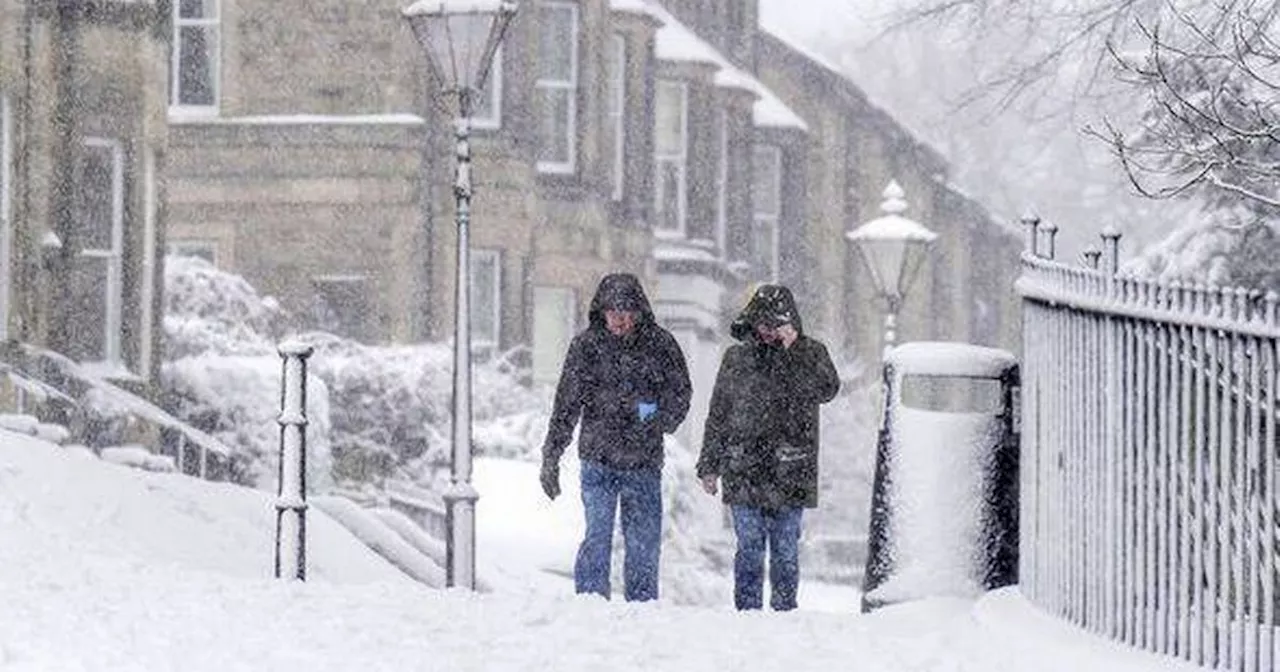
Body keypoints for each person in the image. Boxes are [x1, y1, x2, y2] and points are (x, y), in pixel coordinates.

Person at [539, 272, 692, 602]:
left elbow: (680, 395)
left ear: (638, 313)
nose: (619, 320)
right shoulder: (586, 347)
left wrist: (651, 415)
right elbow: (566, 403)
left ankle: (641, 606)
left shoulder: (660, 345)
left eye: (625, 313)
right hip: (598, 458)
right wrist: (551, 454)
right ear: (602, 312)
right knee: (597, 535)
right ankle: (591, 603)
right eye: (612, 312)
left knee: (642, 542)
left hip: (643, 461)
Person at [695, 284, 840, 611]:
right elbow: (719, 411)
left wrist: (796, 349)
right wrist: (709, 465)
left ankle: (784, 612)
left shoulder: (810, 353)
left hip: (791, 469)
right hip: (743, 466)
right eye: (763, 322)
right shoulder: (736, 358)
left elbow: (827, 388)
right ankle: (747, 613)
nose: (767, 330)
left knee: (786, 548)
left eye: (775, 323)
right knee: (748, 546)